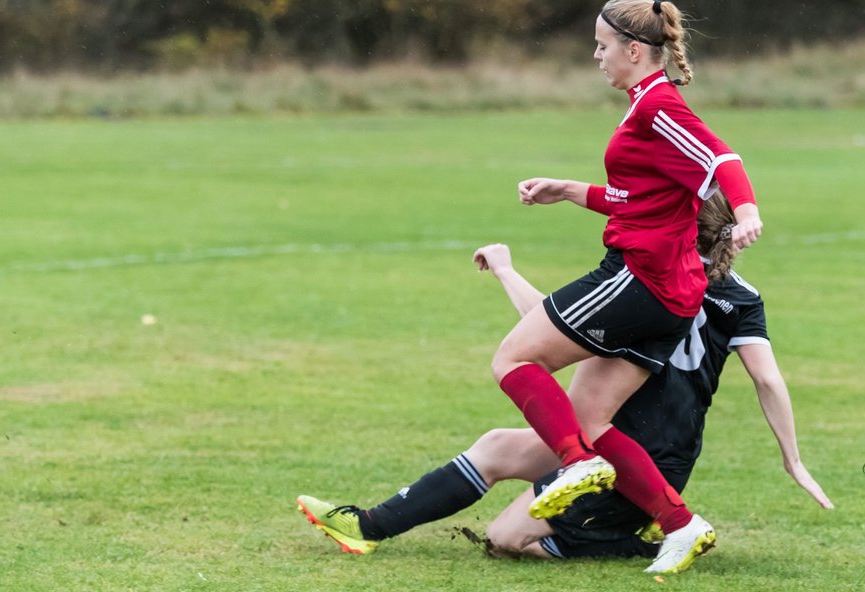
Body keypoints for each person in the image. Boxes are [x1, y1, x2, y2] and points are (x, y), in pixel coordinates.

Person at [296, 194, 831, 566]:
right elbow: (768, 380)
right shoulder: (737, 296)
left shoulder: (654, 289)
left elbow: (561, 334)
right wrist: (793, 458)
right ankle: (367, 526)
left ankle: (647, 533)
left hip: (635, 459)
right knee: (498, 446)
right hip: (629, 441)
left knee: (507, 538)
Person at [489, 0, 763, 573]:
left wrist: (747, 209)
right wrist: (567, 190)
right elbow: (635, 200)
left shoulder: (658, 105)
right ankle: (681, 526)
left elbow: (721, 157)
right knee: (590, 418)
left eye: (602, 45)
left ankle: (573, 464)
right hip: (671, 290)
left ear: (634, 50)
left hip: (640, 278)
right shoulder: (644, 106)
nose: (596, 55)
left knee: (513, 360)